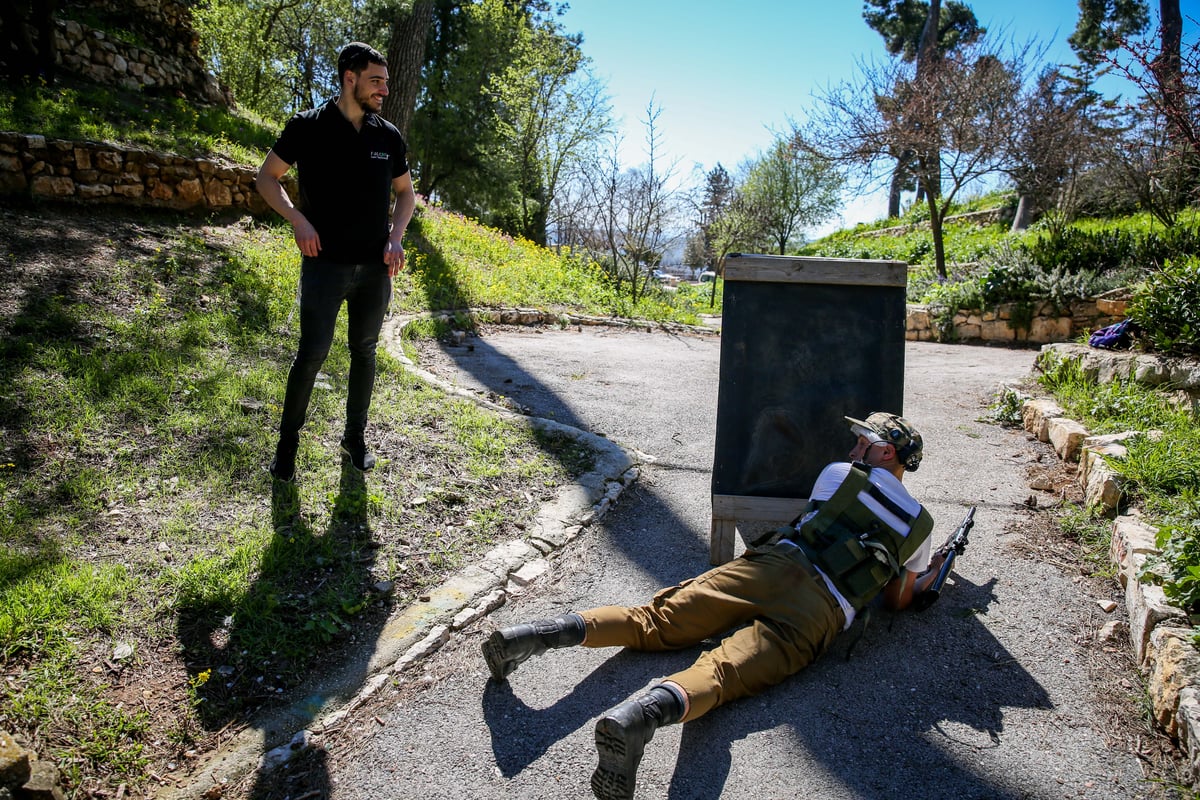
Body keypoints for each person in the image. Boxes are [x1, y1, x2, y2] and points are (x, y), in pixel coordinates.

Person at [483, 412, 946, 800]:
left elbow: (824, 520)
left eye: (864, 441)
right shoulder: (920, 527)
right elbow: (898, 599)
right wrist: (931, 575)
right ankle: (638, 718)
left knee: (652, 620)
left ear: (887, 452)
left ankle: (531, 636)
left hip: (774, 564)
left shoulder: (837, 476)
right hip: (820, 607)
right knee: (723, 673)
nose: (854, 448)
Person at [255, 41, 416, 482]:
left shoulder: (388, 135)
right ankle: (286, 448)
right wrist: (297, 220)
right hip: (324, 265)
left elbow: (406, 194)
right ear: (350, 78)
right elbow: (267, 179)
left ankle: (354, 438)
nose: (384, 89)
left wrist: (396, 238)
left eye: (385, 81)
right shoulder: (308, 126)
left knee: (364, 352)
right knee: (312, 354)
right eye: (376, 81)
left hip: (375, 269)